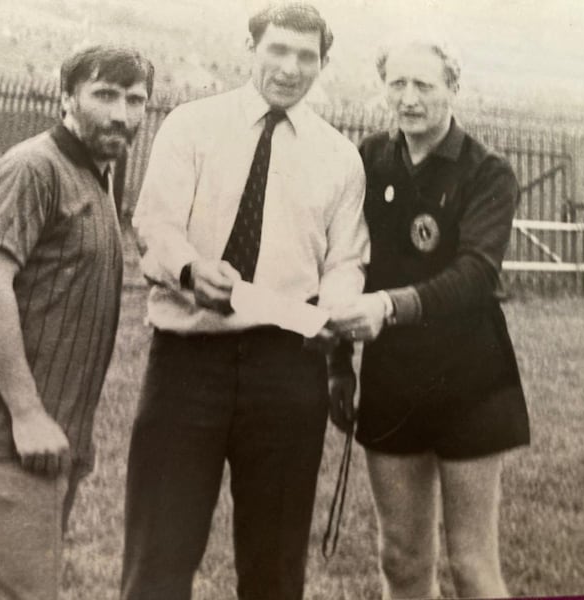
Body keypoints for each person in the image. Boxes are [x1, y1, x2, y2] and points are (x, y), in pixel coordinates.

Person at [121, 4, 369, 599]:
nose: (289, 67)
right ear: (251, 49)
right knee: (159, 553)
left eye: (306, 56)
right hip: (188, 361)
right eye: (277, 50)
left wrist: (336, 307)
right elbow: (155, 225)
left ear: (323, 64)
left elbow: (345, 260)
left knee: (275, 565)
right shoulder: (191, 126)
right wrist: (188, 269)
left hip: (288, 369)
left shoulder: (339, 157)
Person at [0, 45, 154, 599]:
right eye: (104, 95)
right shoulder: (34, 168)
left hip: (47, 446)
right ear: (66, 98)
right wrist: (28, 413)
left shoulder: (95, 179)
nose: (121, 115)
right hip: (1, 437)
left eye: (135, 100)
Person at [328, 36, 530, 598]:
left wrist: (391, 306)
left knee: (471, 565)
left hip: (472, 380)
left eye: (424, 85)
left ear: (453, 90)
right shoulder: (367, 159)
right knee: (402, 559)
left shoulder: (488, 171)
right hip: (392, 378)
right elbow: (344, 263)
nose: (409, 98)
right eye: (397, 84)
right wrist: (339, 366)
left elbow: (476, 275)